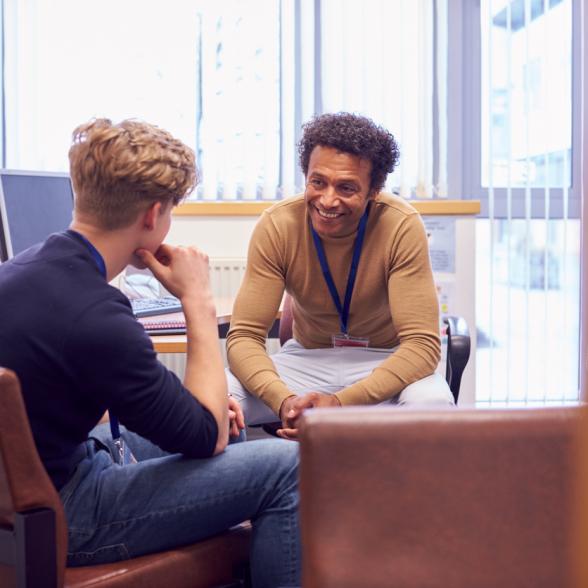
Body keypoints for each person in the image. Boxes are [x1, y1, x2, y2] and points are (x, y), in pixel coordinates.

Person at [0, 118, 300, 587]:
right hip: (66, 513)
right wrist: (196, 300)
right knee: (288, 467)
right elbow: (204, 437)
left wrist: (202, 415)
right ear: (152, 215)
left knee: (232, 429)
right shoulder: (97, 315)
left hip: (29, 488)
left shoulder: (24, 268)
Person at [226, 112, 454, 440]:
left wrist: (341, 403)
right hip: (306, 361)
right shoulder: (278, 225)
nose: (328, 200)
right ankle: (251, 487)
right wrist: (285, 402)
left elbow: (421, 346)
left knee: (432, 406)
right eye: (318, 182)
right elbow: (244, 337)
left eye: (346, 187)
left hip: (384, 360)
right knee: (216, 398)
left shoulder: (401, 225)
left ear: (374, 189)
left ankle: (400, 493)